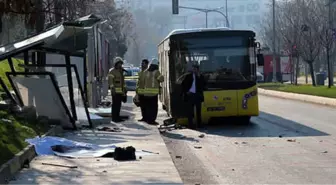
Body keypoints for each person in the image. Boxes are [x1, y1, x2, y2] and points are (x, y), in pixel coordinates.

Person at [181, 62, 205, 129]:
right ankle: (191, 124)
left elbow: (204, 85)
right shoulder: (188, 76)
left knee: (198, 111)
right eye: (193, 69)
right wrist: (186, 92)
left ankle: (199, 125)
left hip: (197, 95)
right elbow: (183, 85)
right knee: (190, 111)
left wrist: (199, 77)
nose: (194, 70)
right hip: (190, 95)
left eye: (196, 69)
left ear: (198, 70)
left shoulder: (201, 76)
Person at [142, 58, 164, 125]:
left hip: (146, 94)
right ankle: (152, 120)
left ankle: (148, 120)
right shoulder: (156, 72)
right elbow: (162, 79)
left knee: (148, 108)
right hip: (153, 94)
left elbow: (142, 81)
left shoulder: (145, 72)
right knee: (153, 108)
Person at [108, 57, 127, 123]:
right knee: (115, 105)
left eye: (121, 64)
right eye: (119, 63)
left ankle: (117, 117)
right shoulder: (112, 71)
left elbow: (123, 82)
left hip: (120, 92)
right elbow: (110, 82)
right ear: (116, 64)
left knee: (119, 105)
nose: (120, 65)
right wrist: (112, 90)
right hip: (115, 92)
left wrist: (124, 91)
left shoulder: (121, 71)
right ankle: (114, 118)